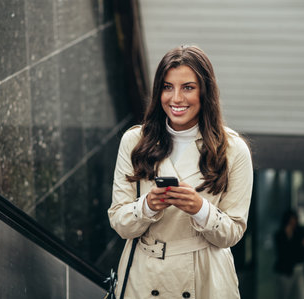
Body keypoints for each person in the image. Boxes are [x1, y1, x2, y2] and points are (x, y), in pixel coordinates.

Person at [108, 45, 253, 298]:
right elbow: (120, 223)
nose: (176, 98)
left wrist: (200, 209)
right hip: (143, 277)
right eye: (167, 87)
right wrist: (148, 206)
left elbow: (232, 233)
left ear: (205, 92)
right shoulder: (134, 141)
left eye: (188, 87)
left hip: (205, 277)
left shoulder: (233, 150)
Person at [274, 209, 304, 299]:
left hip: (299, 268)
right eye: (291, 220)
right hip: (286, 271)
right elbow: (283, 253)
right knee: (284, 294)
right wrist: (288, 238)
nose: (293, 223)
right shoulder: (281, 234)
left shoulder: (300, 232)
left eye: (294, 220)